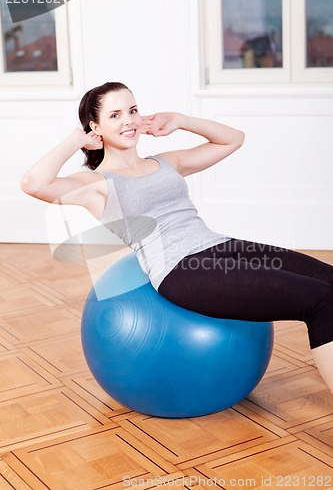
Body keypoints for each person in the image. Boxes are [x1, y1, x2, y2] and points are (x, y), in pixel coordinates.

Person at [21, 81, 333, 395]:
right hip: (181, 270)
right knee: (321, 301)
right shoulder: (95, 183)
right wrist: (75, 140)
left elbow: (233, 139)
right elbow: (34, 183)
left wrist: (182, 120)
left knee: (330, 281)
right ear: (96, 127)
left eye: (132, 110)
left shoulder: (166, 162)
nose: (128, 120)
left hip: (220, 246)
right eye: (114, 115)